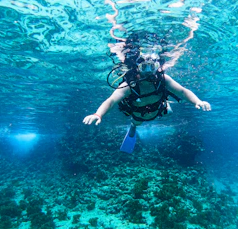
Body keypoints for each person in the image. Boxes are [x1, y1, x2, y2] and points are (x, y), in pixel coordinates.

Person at [83, 34, 211, 153]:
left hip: (159, 108)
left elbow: (183, 91)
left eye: (152, 66)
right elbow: (110, 101)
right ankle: (133, 127)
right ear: (137, 68)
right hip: (140, 115)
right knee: (137, 122)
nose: (149, 72)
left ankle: (165, 103)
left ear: (157, 66)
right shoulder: (129, 85)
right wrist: (98, 114)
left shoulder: (163, 79)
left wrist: (197, 101)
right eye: (144, 67)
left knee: (169, 113)